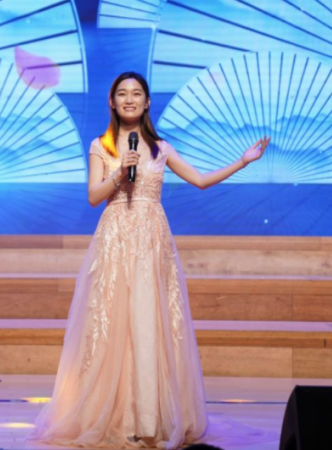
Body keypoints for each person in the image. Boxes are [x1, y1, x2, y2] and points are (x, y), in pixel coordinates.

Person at [30, 71, 269, 449]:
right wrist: (119, 176)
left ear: (147, 102)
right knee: (113, 325)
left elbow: (200, 181)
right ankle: (115, 414)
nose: (129, 99)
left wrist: (242, 162)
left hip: (152, 242)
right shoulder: (101, 145)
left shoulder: (161, 148)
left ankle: (150, 417)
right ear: (112, 102)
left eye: (136, 93)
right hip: (115, 239)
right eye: (122, 93)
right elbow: (93, 197)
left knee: (150, 323)